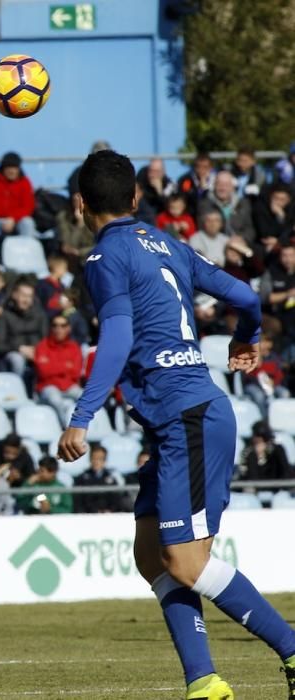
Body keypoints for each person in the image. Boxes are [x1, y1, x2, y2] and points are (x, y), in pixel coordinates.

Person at [57, 148, 295, 699]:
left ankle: (291, 647)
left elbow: (116, 337)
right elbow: (244, 295)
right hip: (185, 419)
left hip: (187, 418)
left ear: (79, 205)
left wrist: (82, 415)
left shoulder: (102, 259)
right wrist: (247, 337)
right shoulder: (169, 244)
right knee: (151, 554)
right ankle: (206, 682)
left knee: (188, 562)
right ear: (136, 198)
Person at [0, 279, 47, 379]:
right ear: (14, 295)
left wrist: (36, 350)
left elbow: (46, 339)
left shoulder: (40, 315)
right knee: (17, 359)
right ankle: (17, 390)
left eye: (29, 296)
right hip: (13, 352)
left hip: (36, 351)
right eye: (23, 295)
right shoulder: (5, 316)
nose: (26, 300)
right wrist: (19, 348)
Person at [35, 315, 83, 425]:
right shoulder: (42, 346)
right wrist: (65, 366)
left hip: (69, 386)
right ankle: (67, 429)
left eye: (63, 326)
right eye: (55, 325)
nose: (59, 329)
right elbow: (43, 372)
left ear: (68, 328)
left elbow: (76, 372)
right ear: (50, 328)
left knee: (86, 398)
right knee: (56, 399)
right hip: (48, 386)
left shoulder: (74, 347)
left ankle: (85, 428)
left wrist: (52, 366)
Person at [197, 171, 255, 243]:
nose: (222, 188)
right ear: (214, 186)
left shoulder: (243, 204)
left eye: (226, 184)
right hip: (213, 243)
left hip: (238, 244)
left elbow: (250, 229)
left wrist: (241, 238)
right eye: (219, 184)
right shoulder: (205, 205)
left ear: (233, 187)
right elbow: (202, 228)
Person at [259, 244, 295, 346]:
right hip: (272, 314)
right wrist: (288, 294)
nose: (287, 259)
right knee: (277, 325)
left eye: (291, 255)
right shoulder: (271, 272)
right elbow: (266, 297)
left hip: (291, 312)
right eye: (284, 255)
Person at [73, 445, 123, 513]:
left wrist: (110, 510)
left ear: (105, 461)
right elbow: (78, 502)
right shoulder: (81, 479)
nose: (96, 461)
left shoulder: (111, 479)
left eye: (100, 459)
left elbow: (116, 500)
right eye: (94, 458)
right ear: (90, 459)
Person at [176, 151, 215, 219]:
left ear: (210, 167)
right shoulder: (186, 180)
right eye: (198, 166)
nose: (201, 170)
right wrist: (199, 190)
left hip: (210, 216)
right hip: (191, 216)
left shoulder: (217, 180)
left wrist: (205, 188)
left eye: (205, 167)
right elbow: (184, 197)